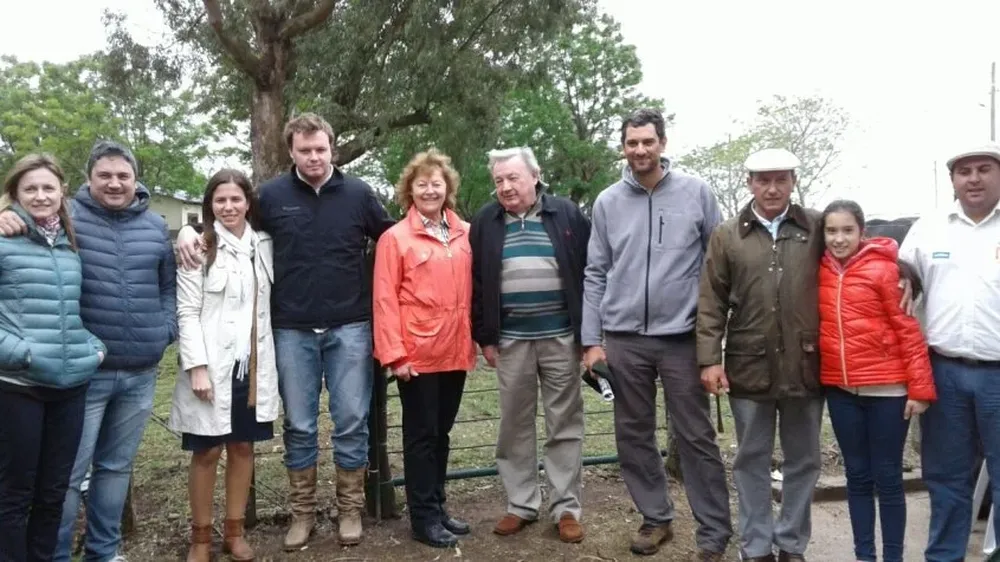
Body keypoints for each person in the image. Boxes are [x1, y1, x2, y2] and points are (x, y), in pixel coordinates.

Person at [176, 113, 395, 548]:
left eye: (320, 149)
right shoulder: (272, 197)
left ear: (332, 148)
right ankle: (303, 514)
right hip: (291, 331)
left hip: (350, 326)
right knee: (299, 424)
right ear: (291, 151)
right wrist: (188, 228)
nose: (313, 157)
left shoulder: (358, 194)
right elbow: (227, 223)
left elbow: (392, 238)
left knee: (352, 420)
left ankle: (350, 511)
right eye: (304, 150)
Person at [0, 140, 178, 562]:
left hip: (141, 371)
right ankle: (56, 555)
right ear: (86, 181)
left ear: (136, 180)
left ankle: (104, 552)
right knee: (64, 478)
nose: (115, 183)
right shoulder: (68, 220)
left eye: (123, 176)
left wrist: (165, 331)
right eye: (105, 175)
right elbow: (27, 227)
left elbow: (168, 286)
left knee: (115, 470)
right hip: (82, 376)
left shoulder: (154, 227)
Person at [582, 108, 733, 559]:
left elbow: (716, 266)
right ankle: (656, 517)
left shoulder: (697, 193)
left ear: (662, 143)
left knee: (696, 437)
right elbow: (595, 272)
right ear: (624, 147)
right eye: (632, 143)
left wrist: (713, 341)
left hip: (683, 338)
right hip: (625, 338)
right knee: (632, 434)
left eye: (648, 141)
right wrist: (592, 341)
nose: (640, 150)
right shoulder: (608, 202)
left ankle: (713, 531)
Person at [697, 148, 823, 562]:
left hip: (806, 364)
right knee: (751, 458)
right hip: (748, 363)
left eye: (781, 179)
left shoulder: (817, 228)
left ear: (793, 182)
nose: (772, 188)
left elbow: (856, 260)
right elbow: (711, 300)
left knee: (803, 459)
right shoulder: (728, 234)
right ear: (749, 182)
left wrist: (905, 273)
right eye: (763, 180)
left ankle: (790, 544)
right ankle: (755, 547)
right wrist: (709, 359)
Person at [469, 146, 589, 544]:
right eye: (499, 180)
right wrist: (485, 337)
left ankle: (566, 507)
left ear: (535, 176)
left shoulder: (567, 214)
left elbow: (590, 272)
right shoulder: (485, 222)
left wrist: (588, 336)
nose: (505, 187)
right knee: (514, 425)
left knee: (564, 423)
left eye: (513, 178)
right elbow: (479, 284)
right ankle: (521, 504)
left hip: (561, 338)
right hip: (511, 341)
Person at [816, 199, 936, 562]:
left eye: (847, 230)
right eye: (831, 231)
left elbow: (909, 333)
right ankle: (864, 555)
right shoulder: (818, 271)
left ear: (862, 231)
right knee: (857, 477)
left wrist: (920, 389)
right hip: (841, 391)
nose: (839, 239)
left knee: (887, 478)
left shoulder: (886, 272)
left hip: (889, 391)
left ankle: (894, 557)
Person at [0, 154, 106, 562]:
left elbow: (68, 314)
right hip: (18, 387)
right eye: (31, 189)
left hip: (69, 387)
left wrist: (92, 348)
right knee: (14, 493)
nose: (41, 196)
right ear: (15, 194)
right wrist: (21, 355)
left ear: (62, 191)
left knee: (53, 491)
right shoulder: (5, 240)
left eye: (48, 187)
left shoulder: (67, 245)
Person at [171, 169, 279, 562]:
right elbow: (186, 310)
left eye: (236, 199)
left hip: (252, 367)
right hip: (211, 366)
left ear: (248, 202)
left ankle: (234, 532)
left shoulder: (263, 245)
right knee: (206, 452)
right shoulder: (198, 247)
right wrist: (196, 366)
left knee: (242, 447)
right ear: (210, 204)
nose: (229, 207)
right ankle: (200, 538)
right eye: (220, 200)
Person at [898, 143, 1000, 561]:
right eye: (964, 172)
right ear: (953, 180)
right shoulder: (930, 226)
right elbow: (908, 276)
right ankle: (944, 556)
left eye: (984, 169)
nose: (973, 178)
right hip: (944, 372)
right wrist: (905, 278)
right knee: (947, 478)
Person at [373, 150, 476, 548]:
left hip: (455, 349)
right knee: (420, 436)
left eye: (437, 183)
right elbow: (384, 300)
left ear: (447, 188)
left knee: (442, 433)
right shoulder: (395, 238)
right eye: (422, 184)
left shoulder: (465, 233)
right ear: (409, 191)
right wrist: (395, 355)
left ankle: (438, 506)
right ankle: (422, 518)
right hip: (416, 354)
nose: (430, 190)